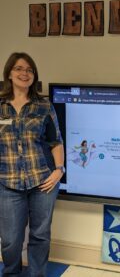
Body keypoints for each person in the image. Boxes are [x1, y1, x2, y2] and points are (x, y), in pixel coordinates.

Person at [0, 52, 64, 276]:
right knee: (9, 239)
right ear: (9, 72)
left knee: (40, 234)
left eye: (29, 70)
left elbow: (56, 141)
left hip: (42, 183)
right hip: (7, 184)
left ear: (34, 75)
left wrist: (59, 170)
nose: (24, 73)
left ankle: (36, 274)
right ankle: (11, 273)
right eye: (19, 68)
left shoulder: (43, 106)